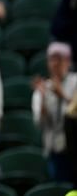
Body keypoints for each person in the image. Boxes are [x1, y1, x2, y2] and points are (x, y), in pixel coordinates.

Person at [32, 41, 77, 182]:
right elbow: (40, 124)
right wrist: (43, 101)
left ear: (68, 61)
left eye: (60, 59)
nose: (56, 64)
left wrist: (62, 95)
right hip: (54, 149)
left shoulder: (76, 82)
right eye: (52, 59)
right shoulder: (43, 89)